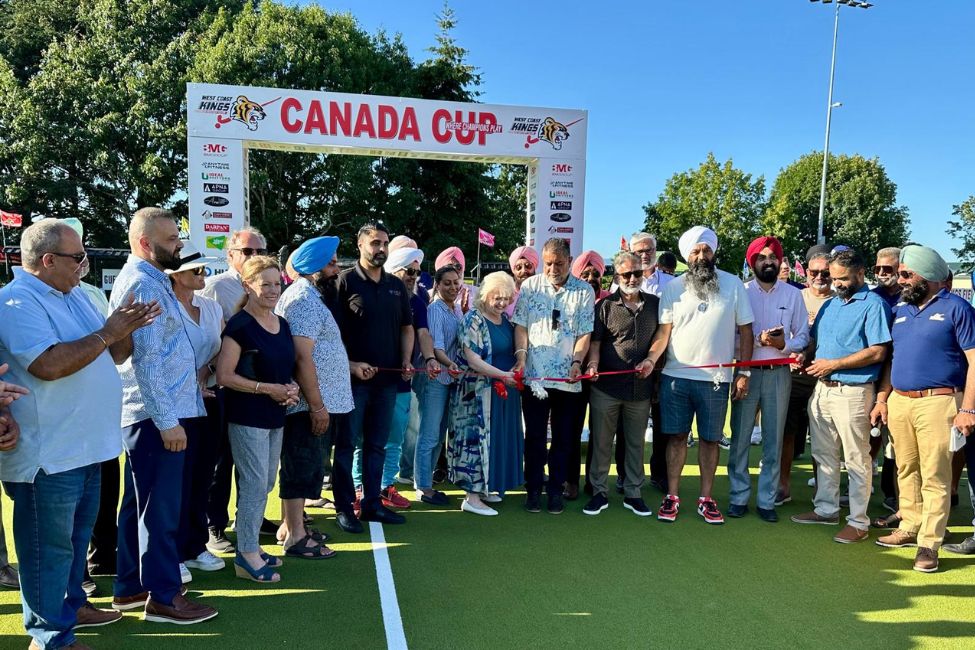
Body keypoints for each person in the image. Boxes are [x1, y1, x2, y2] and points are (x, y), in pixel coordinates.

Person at [0, 218, 158, 646]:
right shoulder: (16, 301)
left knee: (72, 542)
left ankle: (72, 606)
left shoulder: (76, 296)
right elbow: (48, 365)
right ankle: (49, 637)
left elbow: (113, 355)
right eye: (78, 257)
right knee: (47, 550)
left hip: (87, 447)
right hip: (49, 454)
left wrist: (126, 329)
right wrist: (108, 332)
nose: (84, 264)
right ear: (48, 260)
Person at [110, 207, 217, 623]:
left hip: (156, 413)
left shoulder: (151, 279)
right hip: (157, 416)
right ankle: (164, 597)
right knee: (160, 510)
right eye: (171, 239)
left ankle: (131, 588)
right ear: (144, 243)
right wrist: (167, 421)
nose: (179, 245)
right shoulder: (143, 283)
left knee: (141, 505)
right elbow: (147, 361)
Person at [869, 246, 975, 572]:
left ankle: (929, 543)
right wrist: (883, 399)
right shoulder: (900, 310)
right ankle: (910, 525)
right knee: (906, 469)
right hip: (900, 401)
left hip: (939, 401)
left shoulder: (957, 308)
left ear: (926, 275)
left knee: (935, 475)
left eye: (906, 274)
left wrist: (968, 409)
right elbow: (893, 359)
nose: (899, 280)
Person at [654, 226, 754, 525]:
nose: (701, 256)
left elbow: (746, 331)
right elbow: (663, 333)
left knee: (710, 440)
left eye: (706, 250)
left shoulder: (733, 284)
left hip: (716, 380)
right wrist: (651, 359)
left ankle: (706, 499)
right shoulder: (672, 288)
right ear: (687, 256)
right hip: (675, 377)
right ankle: (672, 496)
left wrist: (744, 371)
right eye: (695, 251)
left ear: (713, 252)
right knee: (676, 438)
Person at [791, 249, 891, 544]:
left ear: (860, 273)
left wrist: (833, 365)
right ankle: (826, 509)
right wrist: (804, 354)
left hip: (854, 391)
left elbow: (878, 351)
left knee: (856, 458)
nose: (836, 283)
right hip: (822, 388)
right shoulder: (830, 305)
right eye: (833, 278)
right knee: (823, 454)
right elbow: (815, 342)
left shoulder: (874, 305)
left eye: (842, 278)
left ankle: (859, 521)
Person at [216, 256, 301, 577]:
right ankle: (247, 554)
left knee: (265, 482)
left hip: (275, 415)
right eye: (265, 284)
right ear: (247, 286)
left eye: (277, 284)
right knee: (253, 484)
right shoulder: (239, 326)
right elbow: (224, 375)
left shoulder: (282, 324)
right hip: (247, 416)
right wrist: (268, 389)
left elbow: (283, 369)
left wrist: (290, 387)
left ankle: (249, 543)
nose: (273, 290)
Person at [275, 237, 357, 554]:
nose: (337, 270)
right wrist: (317, 405)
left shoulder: (309, 296)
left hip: (314, 402)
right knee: (301, 466)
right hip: (308, 404)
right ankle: (296, 537)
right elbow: (301, 356)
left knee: (303, 465)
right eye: (332, 263)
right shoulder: (303, 299)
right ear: (315, 267)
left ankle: (290, 527)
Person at [335, 220, 413, 525]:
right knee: (346, 446)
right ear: (360, 244)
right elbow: (332, 336)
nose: (381, 248)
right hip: (352, 384)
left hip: (387, 383)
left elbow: (407, 328)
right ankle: (345, 508)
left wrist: (406, 360)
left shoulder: (396, 286)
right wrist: (351, 365)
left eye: (384, 243)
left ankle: (371, 504)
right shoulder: (344, 282)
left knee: (377, 446)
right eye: (375, 243)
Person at [726, 236, 808, 523]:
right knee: (740, 437)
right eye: (762, 257)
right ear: (752, 262)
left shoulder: (793, 295)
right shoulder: (740, 292)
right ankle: (738, 496)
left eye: (773, 257)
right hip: (746, 373)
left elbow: (802, 336)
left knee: (773, 438)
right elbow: (730, 337)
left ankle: (767, 500)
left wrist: (783, 345)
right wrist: (756, 342)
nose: (769, 262)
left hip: (778, 374)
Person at [199, 226, 270, 553]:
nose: (254, 257)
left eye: (259, 252)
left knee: (252, 460)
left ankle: (250, 520)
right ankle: (214, 524)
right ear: (230, 256)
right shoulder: (216, 287)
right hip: (222, 386)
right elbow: (211, 339)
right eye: (247, 252)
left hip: (256, 388)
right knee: (221, 460)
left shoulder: (268, 287)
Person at [513, 237, 595, 515]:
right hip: (534, 377)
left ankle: (556, 490)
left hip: (568, 380)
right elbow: (521, 326)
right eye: (548, 263)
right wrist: (521, 356)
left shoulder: (584, 291)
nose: (552, 269)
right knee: (535, 436)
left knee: (563, 438)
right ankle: (533, 488)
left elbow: (585, 333)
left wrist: (577, 362)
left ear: (570, 261)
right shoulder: (530, 286)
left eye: (559, 264)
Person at [583, 251, 663, 517]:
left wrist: (650, 360)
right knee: (601, 443)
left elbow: (661, 337)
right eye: (626, 274)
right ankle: (599, 492)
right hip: (605, 388)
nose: (632, 278)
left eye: (637, 273)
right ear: (617, 276)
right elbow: (595, 344)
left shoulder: (655, 304)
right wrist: (593, 365)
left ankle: (633, 493)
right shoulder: (604, 306)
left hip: (640, 388)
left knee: (635, 444)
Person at [167, 243, 227, 576]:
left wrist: (206, 373)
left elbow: (223, 348)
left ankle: (195, 546)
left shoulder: (211, 307)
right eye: (196, 269)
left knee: (203, 476)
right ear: (176, 275)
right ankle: (172, 553)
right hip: (175, 406)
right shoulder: (164, 306)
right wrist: (192, 382)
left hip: (209, 401)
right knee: (177, 480)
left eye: (203, 268)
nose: (203, 273)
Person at [449, 272, 522, 516]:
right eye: (497, 297)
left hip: (503, 392)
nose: (502, 303)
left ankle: (486, 487)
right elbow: (473, 360)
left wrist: (514, 370)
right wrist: (502, 375)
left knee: (494, 440)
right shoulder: (473, 319)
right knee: (474, 442)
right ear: (485, 295)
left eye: (506, 298)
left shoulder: (506, 321)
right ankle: (471, 497)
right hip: (476, 394)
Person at [374, 246, 436, 508]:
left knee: (395, 437)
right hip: (368, 379)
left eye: (416, 272)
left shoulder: (417, 303)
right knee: (365, 439)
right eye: (409, 271)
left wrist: (430, 358)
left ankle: (386, 487)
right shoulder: (374, 296)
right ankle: (359, 489)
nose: (414, 277)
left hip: (401, 381)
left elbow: (423, 334)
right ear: (392, 270)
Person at [778, 245, 834, 505]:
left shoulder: (839, 300)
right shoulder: (794, 296)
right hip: (793, 375)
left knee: (823, 438)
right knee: (786, 433)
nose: (819, 277)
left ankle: (823, 492)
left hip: (825, 379)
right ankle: (783, 485)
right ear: (806, 272)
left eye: (825, 273)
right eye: (814, 272)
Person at [626, 232, 673, 492]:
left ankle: (661, 474)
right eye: (639, 251)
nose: (644, 255)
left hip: (665, 362)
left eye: (649, 250)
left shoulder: (672, 283)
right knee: (629, 422)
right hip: (630, 363)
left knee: (664, 421)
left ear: (656, 251)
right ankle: (627, 474)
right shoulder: (621, 281)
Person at [415, 266, 464, 505]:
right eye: (447, 283)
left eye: (456, 282)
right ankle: (423, 487)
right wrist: (449, 363)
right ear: (437, 285)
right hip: (435, 378)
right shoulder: (435, 309)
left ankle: (428, 483)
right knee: (429, 434)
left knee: (439, 435)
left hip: (449, 379)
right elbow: (436, 347)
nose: (453, 287)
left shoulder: (456, 309)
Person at [871, 246, 903, 513]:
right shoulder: (872, 298)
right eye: (878, 268)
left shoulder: (912, 296)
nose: (882, 273)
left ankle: (894, 495)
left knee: (896, 441)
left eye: (888, 268)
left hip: (901, 376)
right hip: (873, 374)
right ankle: (860, 487)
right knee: (869, 434)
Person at [435, 246, 477, 316]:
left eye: (458, 267)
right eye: (450, 267)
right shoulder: (428, 296)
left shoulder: (479, 294)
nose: (455, 272)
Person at [505, 245, 539, 318]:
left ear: (534, 268)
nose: (523, 271)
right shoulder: (505, 295)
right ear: (513, 271)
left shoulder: (543, 294)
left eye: (528, 266)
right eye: (518, 267)